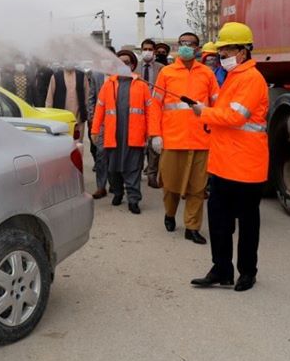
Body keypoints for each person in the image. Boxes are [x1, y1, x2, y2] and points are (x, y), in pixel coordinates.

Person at [189, 22, 269, 292]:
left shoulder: (251, 79)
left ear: (244, 51)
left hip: (246, 166)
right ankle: (221, 269)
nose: (222, 56)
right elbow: (225, 115)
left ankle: (247, 272)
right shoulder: (234, 77)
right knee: (219, 221)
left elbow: (237, 117)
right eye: (221, 51)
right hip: (224, 163)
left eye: (228, 50)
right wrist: (208, 114)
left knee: (247, 224)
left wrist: (204, 112)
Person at [149, 32, 219, 244]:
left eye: (191, 43)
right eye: (183, 43)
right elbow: (156, 106)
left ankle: (192, 227)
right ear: (178, 47)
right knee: (170, 184)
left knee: (197, 188)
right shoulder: (167, 73)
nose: (186, 46)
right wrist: (155, 135)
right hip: (172, 139)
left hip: (201, 140)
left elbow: (217, 105)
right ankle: (169, 214)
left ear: (198, 48)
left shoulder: (207, 74)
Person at [91, 50, 152, 214]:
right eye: (119, 62)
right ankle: (117, 193)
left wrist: (152, 133)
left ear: (132, 65)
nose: (123, 65)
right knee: (112, 168)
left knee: (133, 168)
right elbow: (100, 109)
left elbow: (149, 111)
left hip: (134, 135)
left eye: (126, 62)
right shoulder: (108, 84)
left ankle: (133, 199)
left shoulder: (142, 85)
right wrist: (95, 129)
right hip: (113, 135)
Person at [87, 46, 117, 199]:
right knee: (101, 155)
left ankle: (114, 184)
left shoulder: (120, 74)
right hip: (101, 123)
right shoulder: (96, 75)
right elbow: (91, 97)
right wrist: (93, 118)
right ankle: (101, 186)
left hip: (118, 123)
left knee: (114, 155)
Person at [138, 39, 166, 188]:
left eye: (150, 49)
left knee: (154, 145)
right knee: (138, 143)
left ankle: (152, 175)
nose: (147, 51)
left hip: (154, 110)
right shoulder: (135, 69)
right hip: (138, 110)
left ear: (154, 52)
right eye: (145, 49)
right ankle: (136, 172)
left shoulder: (161, 69)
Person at [46, 60, 89, 139]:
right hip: (61, 118)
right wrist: (49, 116)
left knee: (78, 143)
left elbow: (87, 96)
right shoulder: (56, 76)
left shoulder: (82, 76)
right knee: (62, 142)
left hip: (78, 118)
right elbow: (49, 99)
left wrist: (86, 112)